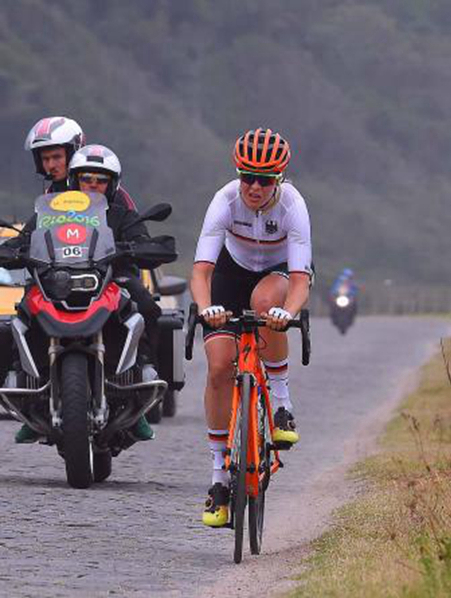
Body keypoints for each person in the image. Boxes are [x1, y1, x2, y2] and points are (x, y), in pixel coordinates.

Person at [191, 127, 312, 527]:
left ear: (279, 179)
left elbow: (299, 280)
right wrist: (206, 308)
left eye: (265, 180)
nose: (254, 187)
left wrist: (287, 313)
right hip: (231, 272)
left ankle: (281, 405)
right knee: (220, 366)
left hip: (278, 275)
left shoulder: (293, 206)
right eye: (248, 177)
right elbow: (202, 271)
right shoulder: (224, 201)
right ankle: (219, 480)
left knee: (265, 304)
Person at [9, 144, 158, 444]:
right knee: (23, 310)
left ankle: (140, 383)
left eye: (100, 180)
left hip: (112, 278)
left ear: (112, 184)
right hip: (57, 280)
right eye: (86, 178)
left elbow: (143, 240)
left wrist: (139, 247)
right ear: (75, 179)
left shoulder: (121, 214)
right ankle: (29, 396)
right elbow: (27, 237)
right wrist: (14, 249)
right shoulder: (50, 210)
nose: (93, 184)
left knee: (145, 304)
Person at [24, 116, 84, 194]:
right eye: (45, 159)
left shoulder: (94, 191)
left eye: (57, 157)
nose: (51, 166)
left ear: (73, 156)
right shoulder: (47, 197)